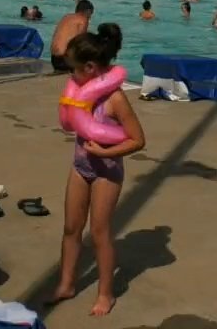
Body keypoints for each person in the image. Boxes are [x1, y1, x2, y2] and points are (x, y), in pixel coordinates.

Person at [53, 24, 146, 316]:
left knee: (99, 232)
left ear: (91, 67)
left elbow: (138, 140)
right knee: (71, 228)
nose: (71, 75)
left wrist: (106, 151)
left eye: (74, 69)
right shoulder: (80, 91)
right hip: (81, 166)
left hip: (106, 171)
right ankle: (66, 284)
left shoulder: (115, 99)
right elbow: (71, 124)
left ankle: (106, 293)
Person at [51, 0, 95, 72]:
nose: (90, 17)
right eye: (91, 14)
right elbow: (81, 41)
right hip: (66, 61)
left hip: (54, 59)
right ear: (88, 11)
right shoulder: (83, 20)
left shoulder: (66, 17)